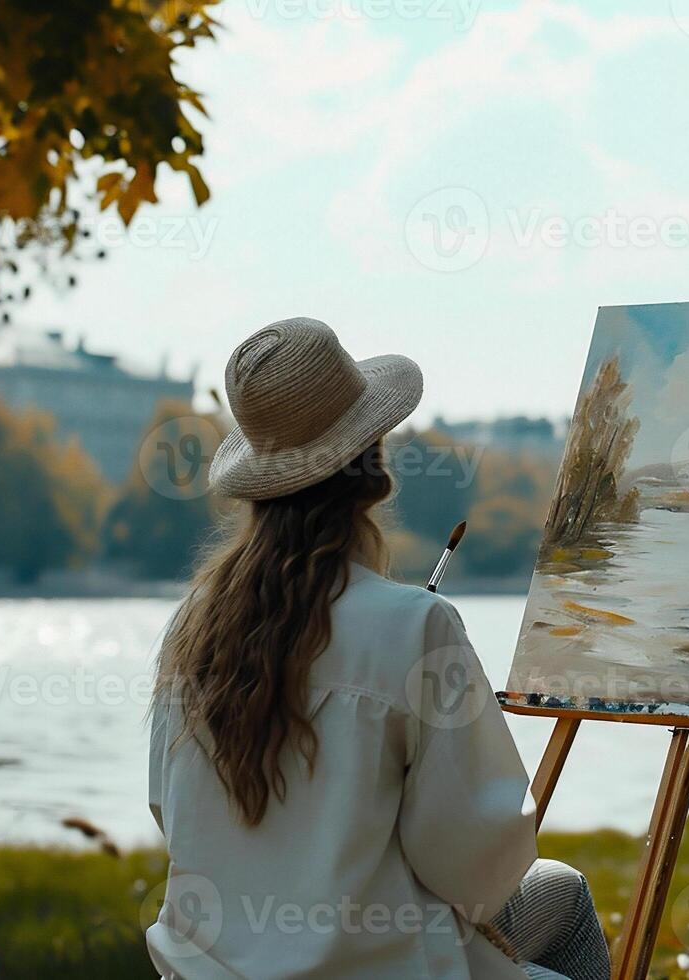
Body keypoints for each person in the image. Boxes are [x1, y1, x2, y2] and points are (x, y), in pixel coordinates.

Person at [146, 318, 610, 980]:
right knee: (564, 899)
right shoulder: (415, 627)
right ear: (373, 466)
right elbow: (478, 870)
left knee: (555, 894)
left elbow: (173, 814)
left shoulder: (192, 626)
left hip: (207, 970)